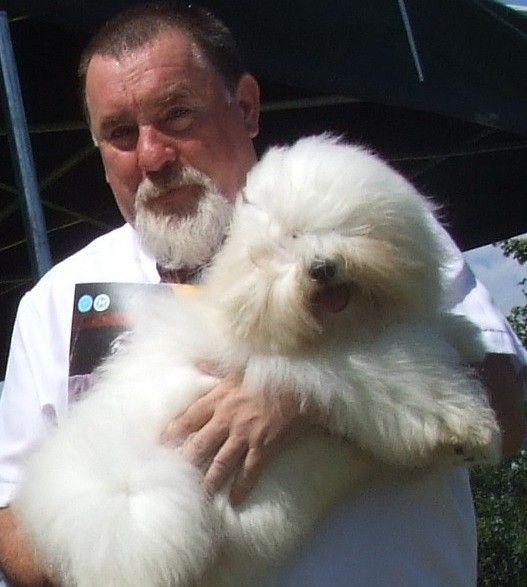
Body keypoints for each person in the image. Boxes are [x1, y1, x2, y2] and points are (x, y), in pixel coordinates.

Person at [0, 2, 525, 586]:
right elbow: (13, 539)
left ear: (247, 107)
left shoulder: (366, 221)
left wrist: (304, 396)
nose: (152, 155)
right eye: (120, 133)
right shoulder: (53, 302)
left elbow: (506, 408)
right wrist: (128, 529)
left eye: (177, 114)